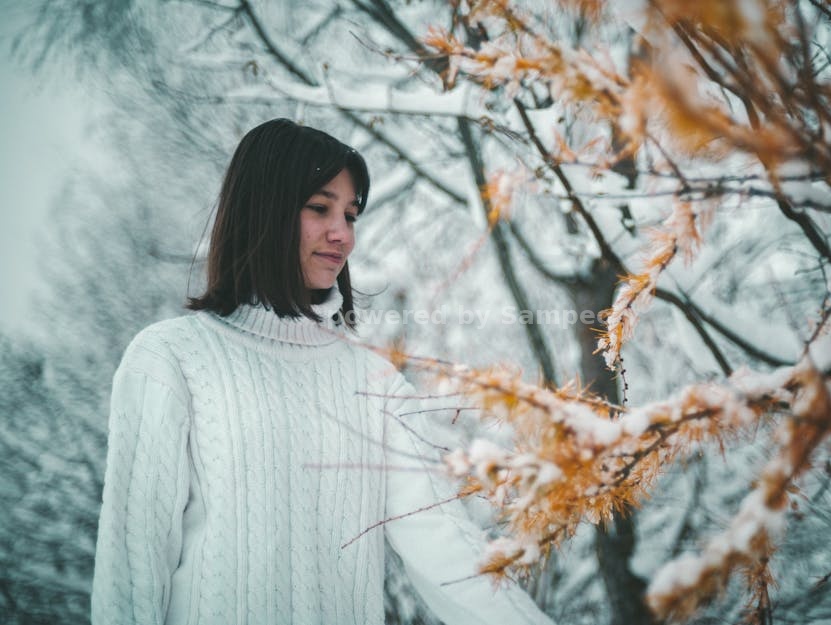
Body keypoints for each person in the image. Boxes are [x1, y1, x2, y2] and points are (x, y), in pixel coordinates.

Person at [91, 118, 554, 625]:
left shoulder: (376, 386)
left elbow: (449, 548)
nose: (343, 235)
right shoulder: (171, 359)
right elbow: (132, 573)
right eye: (319, 208)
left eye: (351, 215)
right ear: (263, 210)